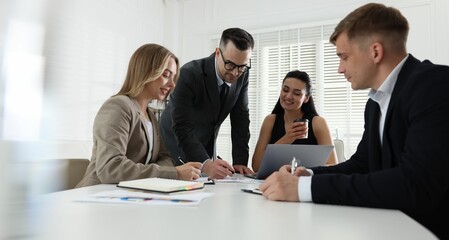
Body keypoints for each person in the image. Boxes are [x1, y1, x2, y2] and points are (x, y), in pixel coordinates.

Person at [259, 3, 449, 239]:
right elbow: (363, 163)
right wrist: (307, 174)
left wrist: (304, 189)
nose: (339, 69)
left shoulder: (434, 86)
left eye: (344, 57)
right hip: (391, 226)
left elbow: (415, 184)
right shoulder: (375, 102)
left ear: (375, 52)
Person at [76, 44, 202, 188]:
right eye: (166, 75)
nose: (172, 84)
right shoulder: (118, 106)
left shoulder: (151, 116)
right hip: (96, 194)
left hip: (127, 194)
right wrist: (173, 174)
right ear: (146, 72)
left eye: (173, 77)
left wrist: (166, 170)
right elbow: (110, 168)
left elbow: (164, 157)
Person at [160, 28, 255, 179]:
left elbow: (241, 118)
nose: (236, 72)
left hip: (203, 147)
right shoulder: (189, 74)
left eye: (242, 66)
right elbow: (182, 127)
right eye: (230, 64)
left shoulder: (243, 75)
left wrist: (240, 161)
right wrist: (206, 163)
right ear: (218, 53)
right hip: (171, 146)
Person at [251, 70, 337, 172]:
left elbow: (333, 166)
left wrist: (301, 173)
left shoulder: (318, 123)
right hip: (275, 182)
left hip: (304, 183)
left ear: (306, 98)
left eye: (296, 93)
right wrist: (286, 139)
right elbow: (256, 166)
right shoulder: (270, 120)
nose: (288, 96)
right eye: (285, 90)